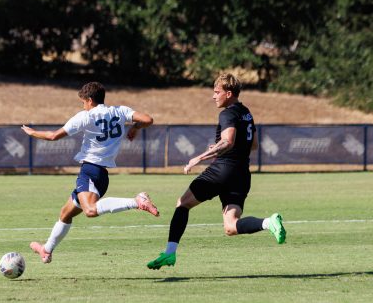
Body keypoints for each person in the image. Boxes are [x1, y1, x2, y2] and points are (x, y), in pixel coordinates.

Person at [147, 73, 286, 270]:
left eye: (216, 92)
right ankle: (268, 223)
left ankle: (169, 253)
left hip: (223, 170)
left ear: (228, 94)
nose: (214, 96)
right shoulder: (246, 112)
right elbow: (253, 144)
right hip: (241, 174)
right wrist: (224, 146)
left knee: (182, 204)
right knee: (231, 226)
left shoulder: (227, 113)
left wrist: (200, 157)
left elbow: (228, 141)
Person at [22, 81, 160, 263]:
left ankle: (136, 201)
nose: (83, 106)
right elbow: (148, 119)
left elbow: (53, 136)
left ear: (89, 100)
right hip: (101, 175)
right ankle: (46, 250)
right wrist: (135, 127)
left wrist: (32, 133)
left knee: (90, 211)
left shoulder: (86, 116)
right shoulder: (119, 111)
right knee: (65, 214)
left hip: (89, 171)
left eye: (83, 102)